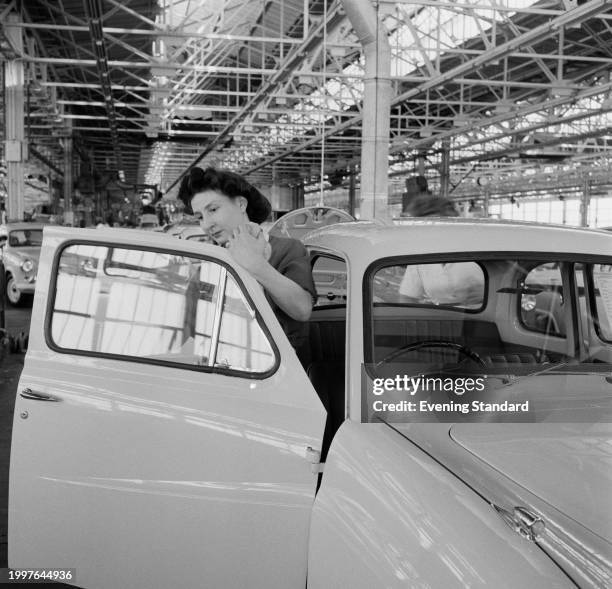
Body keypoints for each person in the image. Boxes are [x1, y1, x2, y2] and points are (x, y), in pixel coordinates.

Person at [178, 166, 316, 349]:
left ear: (241, 204)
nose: (207, 224)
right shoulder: (210, 260)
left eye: (212, 209)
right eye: (200, 217)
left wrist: (256, 265)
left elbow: (302, 310)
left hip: (279, 368)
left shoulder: (287, 249)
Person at [399, 194, 484, 306]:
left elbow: (510, 276)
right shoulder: (420, 258)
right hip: (445, 319)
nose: (432, 231)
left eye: (437, 224)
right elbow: (407, 297)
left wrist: (490, 292)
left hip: (486, 316)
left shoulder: (479, 245)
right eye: (425, 226)